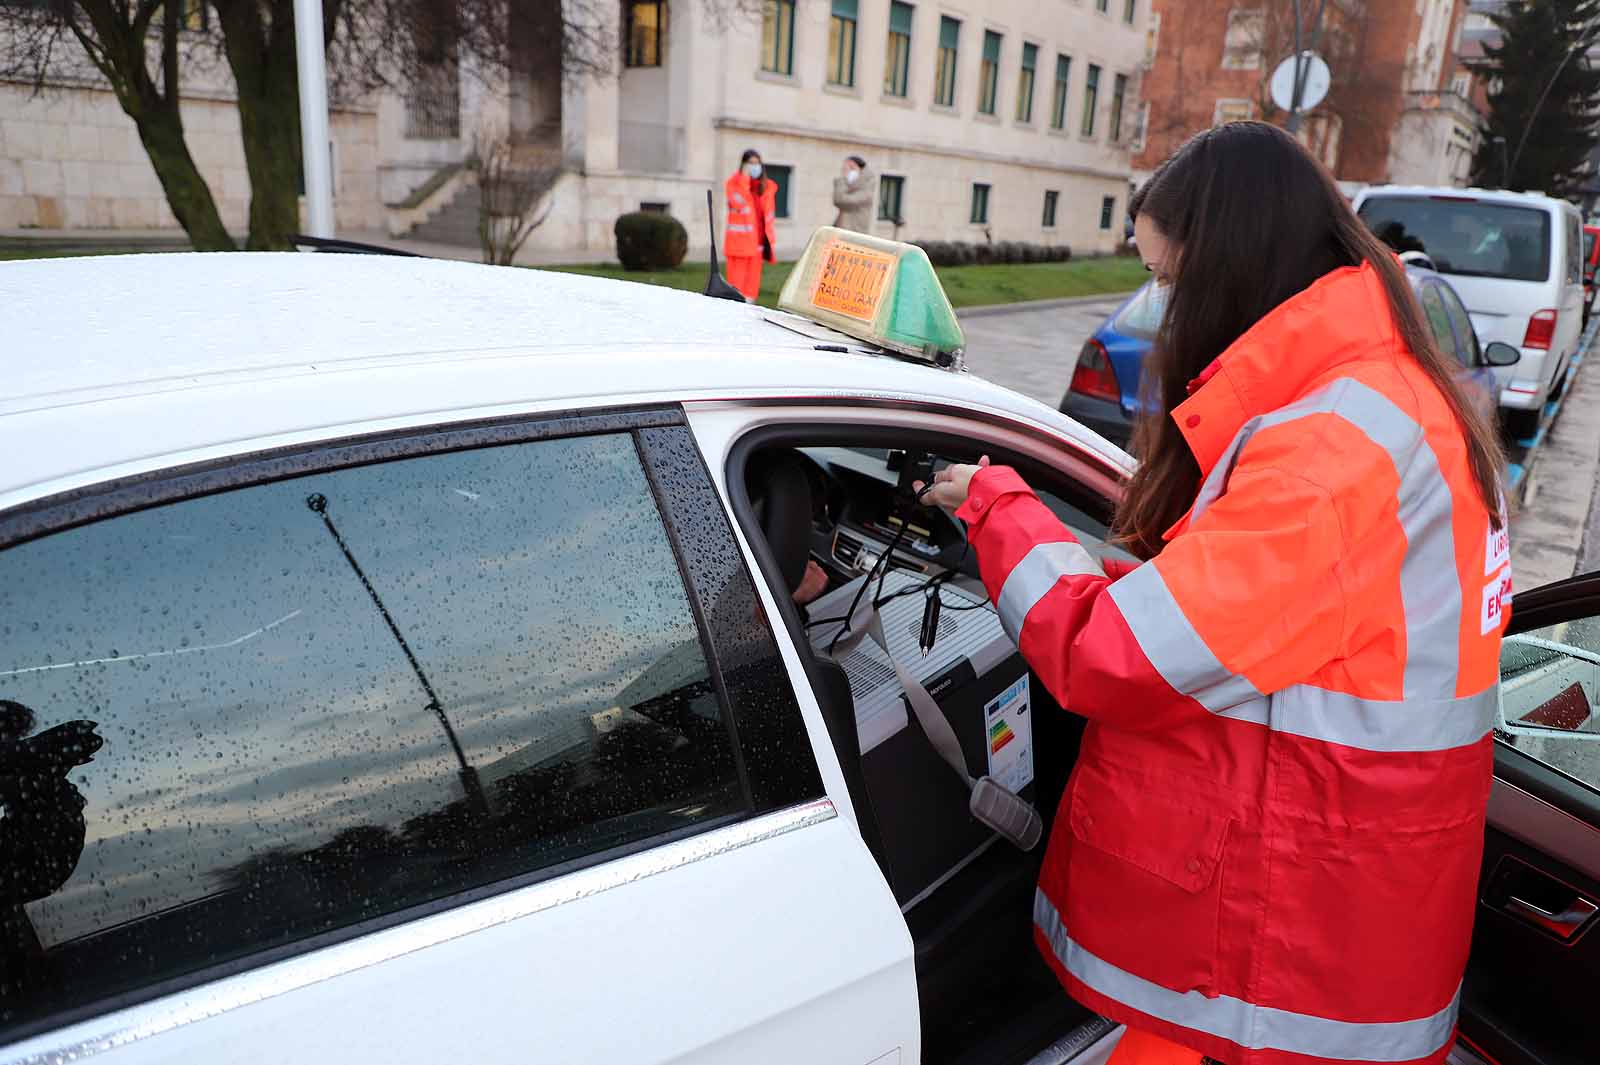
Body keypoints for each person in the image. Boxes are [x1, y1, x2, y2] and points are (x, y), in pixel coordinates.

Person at [918, 122, 1509, 1065]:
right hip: (1338, 922)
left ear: (1233, 266)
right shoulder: (1379, 404)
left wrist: (996, 507)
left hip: (1289, 964)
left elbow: (1114, 653)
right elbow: (1233, 611)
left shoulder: (1329, 452)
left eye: (1170, 278)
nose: (1163, 306)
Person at [723, 149, 777, 302]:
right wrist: (744, 179)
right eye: (750, 163)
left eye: (757, 163)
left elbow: (767, 216)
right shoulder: (733, 184)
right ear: (743, 165)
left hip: (758, 246)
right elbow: (739, 203)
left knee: (751, 293)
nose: (754, 167)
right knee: (735, 290)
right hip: (739, 246)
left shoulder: (767, 188)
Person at [832, 155, 877, 233]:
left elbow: (841, 200)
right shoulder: (847, 185)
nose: (848, 171)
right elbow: (837, 200)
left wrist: (843, 179)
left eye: (852, 168)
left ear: (861, 169)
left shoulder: (867, 187)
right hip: (842, 230)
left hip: (855, 232)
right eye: (845, 168)